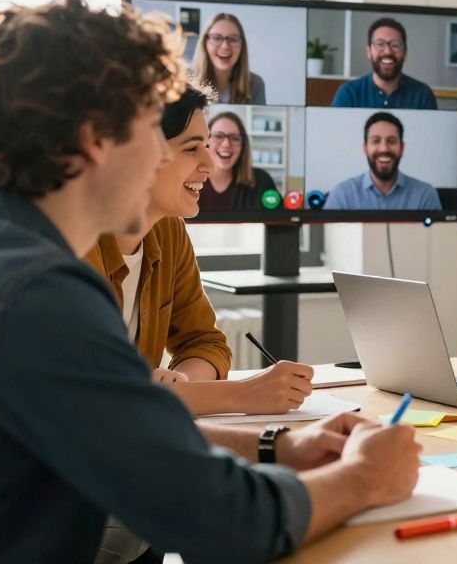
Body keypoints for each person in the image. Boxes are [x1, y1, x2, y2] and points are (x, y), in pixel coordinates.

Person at [0, 0, 420, 561]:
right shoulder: (37, 297)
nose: (161, 157)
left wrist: (280, 445)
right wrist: (367, 479)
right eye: (150, 131)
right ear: (93, 138)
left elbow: (123, 435)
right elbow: (223, 518)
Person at [85, 84, 317, 416]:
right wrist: (241, 394)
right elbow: (95, 393)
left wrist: (181, 383)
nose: (210, 163)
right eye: (193, 149)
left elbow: (204, 343)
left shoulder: (167, 230)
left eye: (206, 145)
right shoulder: (75, 242)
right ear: (139, 153)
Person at [324, 111, 442, 210]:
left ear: (401, 148)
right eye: (376, 141)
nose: (384, 148)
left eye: (391, 141)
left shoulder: (425, 195)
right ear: (365, 148)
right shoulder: (342, 194)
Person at [330, 17, 439, 109]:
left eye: (395, 45)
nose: (387, 51)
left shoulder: (422, 95)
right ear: (369, 52)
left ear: (405, 53)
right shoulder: (349, 93)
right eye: (380, 44)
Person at [199, 111, 278, 211]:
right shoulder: (188, 182)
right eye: (218, 136)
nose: (226, 144)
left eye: (234, 138)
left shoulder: (262, 181)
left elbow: (281, 224)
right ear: (206, 142)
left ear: (243, 146)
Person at [194, 12, 267, 104]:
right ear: (205, 44)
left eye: (233, 39)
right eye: (217, 38)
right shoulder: (185, 83)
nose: (225, 46)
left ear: (242, 46)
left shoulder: (255, 84)